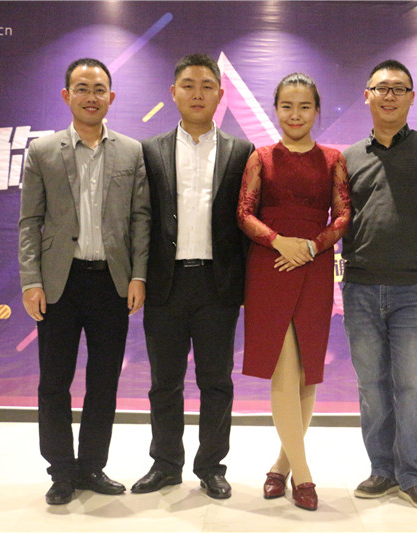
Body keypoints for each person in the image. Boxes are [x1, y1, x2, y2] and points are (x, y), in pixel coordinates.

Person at [18, 57, 151, 505]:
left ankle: (92, 466)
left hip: (111, 283)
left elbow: (140, 219)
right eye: (81, 88)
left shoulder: (131, 152)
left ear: (111, 97)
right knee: (54, 382)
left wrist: (138, 275)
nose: (90, 97)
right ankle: (60, 471)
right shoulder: (42, 151)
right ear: (66, 95)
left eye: (98, 90)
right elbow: (29, 222)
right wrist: (30, 281)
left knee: (104, 380)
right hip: (59, 283)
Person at [341, 59, 417, 511]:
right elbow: (339, 217)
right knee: (372, 386)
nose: (389, 96)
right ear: (367, 95)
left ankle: (415, 475)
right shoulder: (349, 158)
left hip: (414, 290)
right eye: (381, 88)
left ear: (412, 97)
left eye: (399, 88)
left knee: (415, 386)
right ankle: (382, 470)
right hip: (359, 288)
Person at [131, 54, 254, 500]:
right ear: (173, 92)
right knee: (164, 382)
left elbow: (248, 221)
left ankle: (211, 467)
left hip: (218, 285)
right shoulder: (150, 151)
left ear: (220, 94)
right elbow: (140, 219)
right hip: (165, 282)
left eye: (206, 86)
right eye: (188, 85)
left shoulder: (242, 152)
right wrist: (137, 276)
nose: (197, 93)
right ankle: (165, 465)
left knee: (216, 381)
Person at [237, 73, 350, 511]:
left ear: (316, 110)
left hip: (315, 267)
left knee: (306, 371)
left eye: (304, 106)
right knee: (283, 368)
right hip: (270, 266)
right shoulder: (261, 157)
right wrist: (278, 241)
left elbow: (343, 216)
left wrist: (312, 246)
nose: (296, 114)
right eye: (287, 106)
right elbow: (244, 214)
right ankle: (304, 476)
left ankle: (281, 466)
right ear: (276, 109)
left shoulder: (333, 159)